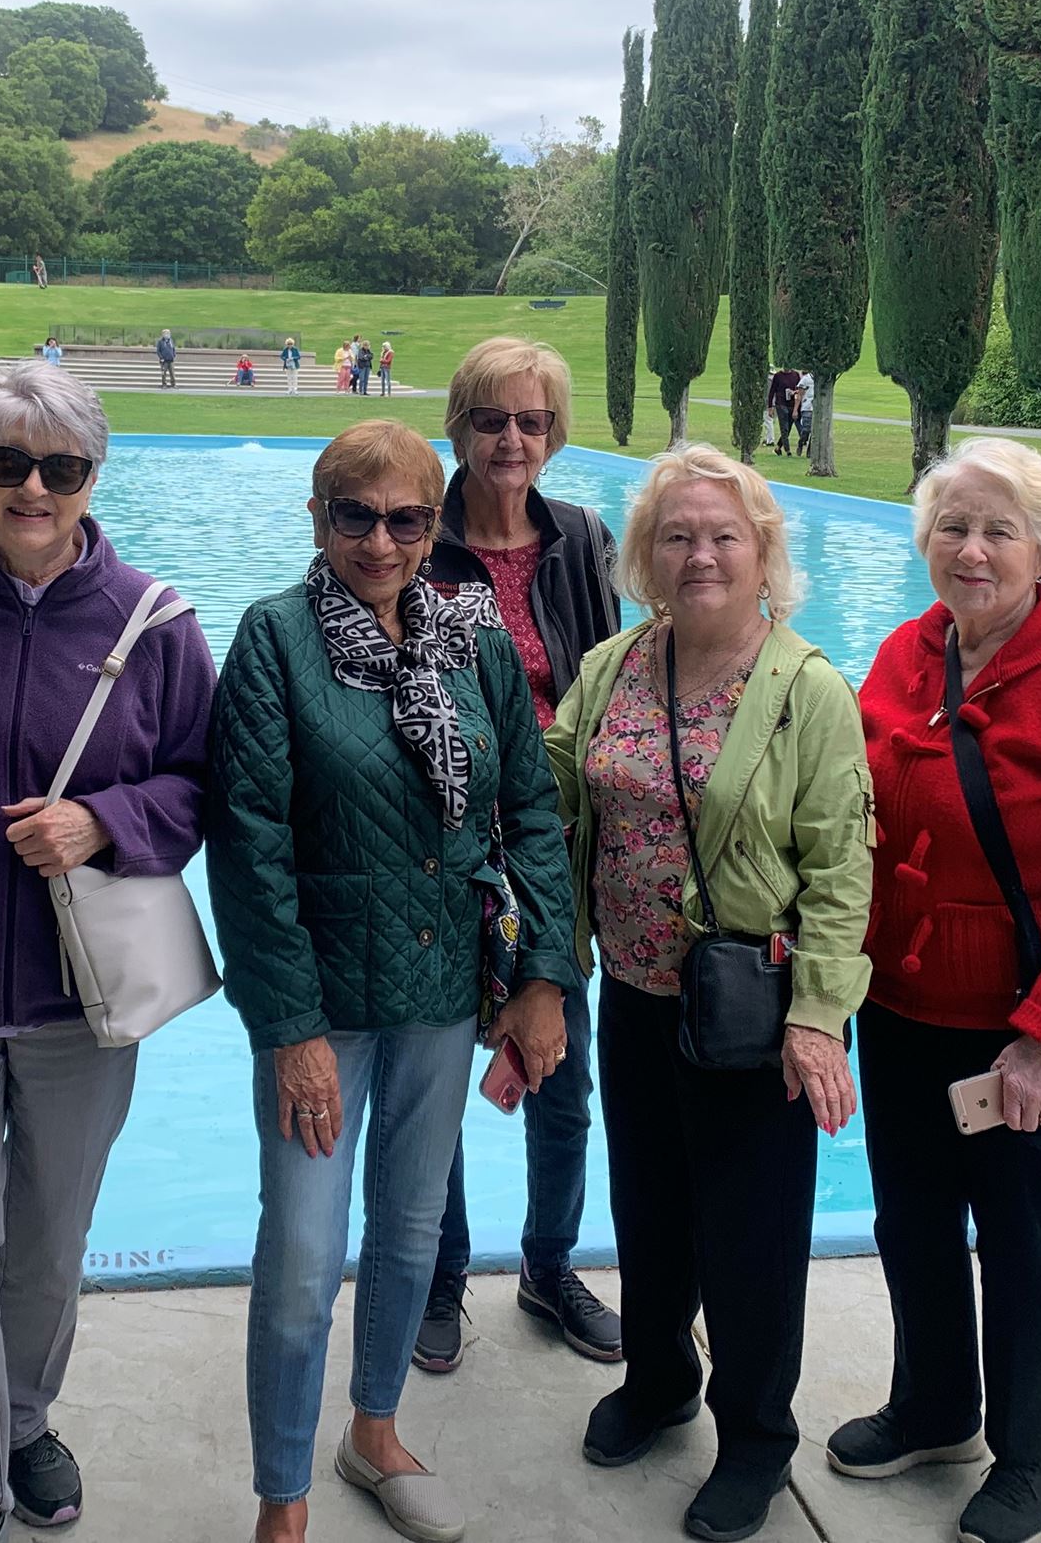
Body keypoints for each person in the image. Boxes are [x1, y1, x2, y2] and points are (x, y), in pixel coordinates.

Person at [0, 362, 216, 1543]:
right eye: (4, 462)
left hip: (80, 997)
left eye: (58, 469)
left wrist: (105, 821)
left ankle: (22, 1421)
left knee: (50, 1241)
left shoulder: (152, 624)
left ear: (89, 479)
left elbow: (202, 784)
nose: (30, 489)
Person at [209, 420, 580, 1543]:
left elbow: (530, 815)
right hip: (322, 1001)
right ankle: (282, 1496)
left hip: (437, 989)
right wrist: (290, 1027)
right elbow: (248, 843)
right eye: (353, 516)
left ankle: (372, 1431)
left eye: (406, 517)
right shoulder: (274, 639)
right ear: (317, 520)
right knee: (304, 1254)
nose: (379, 540)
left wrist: (541, 978)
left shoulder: (470, 639)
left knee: (410, 1231)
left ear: (435, 522)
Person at [824, 438, 1041, 1543]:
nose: (969, 551)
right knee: (910, 1223)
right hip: (899, 1012)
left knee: (1021, 1246)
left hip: (1018, 1030)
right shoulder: (901, 657)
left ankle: (1028, 1455)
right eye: (950, 526)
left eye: (996, 530)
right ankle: (934, 1405)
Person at [550, 443, 873, 1543]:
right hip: (635, 996)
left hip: (751, 1011)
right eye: (677, 535)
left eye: (722, 536)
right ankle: (656, 1382)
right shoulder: (612, 667)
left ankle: (752, 1437)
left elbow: (840, 868)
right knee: (648, 1207)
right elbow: (549, 799)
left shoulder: (807, 690)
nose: (699, 555)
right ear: (645, 552)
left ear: (762, 553)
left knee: (749, 1235)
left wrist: (819, 1019)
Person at [411, 338, 623, 1375]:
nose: (510, 439)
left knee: (562, 1070)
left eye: (531, 422)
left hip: (552, 847)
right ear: (458, 424)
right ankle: (439, 1275)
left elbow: (617, 682)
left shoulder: (582, 540)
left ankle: (547, 1263)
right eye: (491, 418)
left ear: (553, 434)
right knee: (436, 1074)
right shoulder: (412, 533)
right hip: (440, 848)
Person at [765, 367, 802, 457]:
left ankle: (778, 448)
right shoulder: (778, 376)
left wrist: (794, 393)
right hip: (781, 404)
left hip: (792, 404)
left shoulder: (796, 375)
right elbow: (772, 391)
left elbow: (800, 390)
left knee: (788, 428)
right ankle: (788, 450)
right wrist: (770, 407)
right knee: (784, 428)